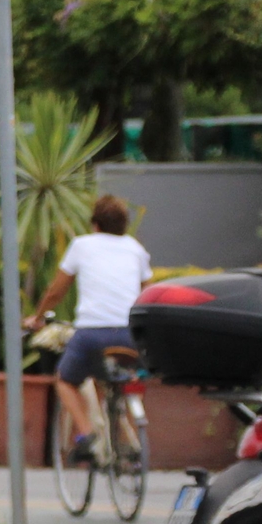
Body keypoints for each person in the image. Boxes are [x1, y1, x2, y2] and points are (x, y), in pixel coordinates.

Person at [24, 194, 152, 461]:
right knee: (123, 377)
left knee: (65, 380)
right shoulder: (136, 249)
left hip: (92, 334)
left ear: (95, 224)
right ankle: (129, 441)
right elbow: (147, 294)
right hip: (130, 335)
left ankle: (87, 435)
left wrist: (37, 317)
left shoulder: (81, 246)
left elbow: (57, 291)